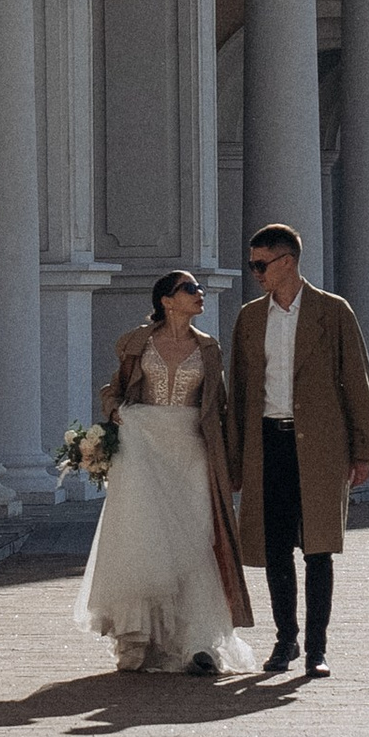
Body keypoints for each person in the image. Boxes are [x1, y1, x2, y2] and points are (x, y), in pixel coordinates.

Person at [76, 269, 260, 678]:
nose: (200, 295)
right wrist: (116, 414)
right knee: (146, 540)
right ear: (167, 300)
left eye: (198, 290)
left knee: (197, 539)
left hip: (192, 452)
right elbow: (112, 391)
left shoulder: (209, 348)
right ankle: (140, 640)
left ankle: (199, 643)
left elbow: (221, 408)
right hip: (144, 451)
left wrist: (230, 462)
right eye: (190, 289)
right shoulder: (137, 342)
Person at [224, 224, 369, 679]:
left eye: (261, 264)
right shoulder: (250, 318)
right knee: (274, 549)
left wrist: (361, 450)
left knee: (318, 548)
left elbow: (358, 383)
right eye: (253, 265)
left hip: (321, 447)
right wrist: (236, 460)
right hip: (267, 441)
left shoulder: (333, 312)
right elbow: (240, 391)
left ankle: (316, 647)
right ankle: (285, 640)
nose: (256, 273)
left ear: (287, 262)